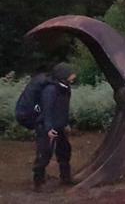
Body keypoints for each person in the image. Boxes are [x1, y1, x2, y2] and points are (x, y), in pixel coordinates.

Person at [33, 62, 77, 191]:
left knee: (64, 151)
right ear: (63, 75)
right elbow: (47, 109)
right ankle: (38, 183)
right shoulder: (51, 90)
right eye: (70, 73)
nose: (73, 75)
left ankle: (66, 178)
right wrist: (49, 128)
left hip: (60, 125)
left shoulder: (65, 88)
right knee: (44, 154)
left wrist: (65, 123)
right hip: (48, 127)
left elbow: (63, 109)